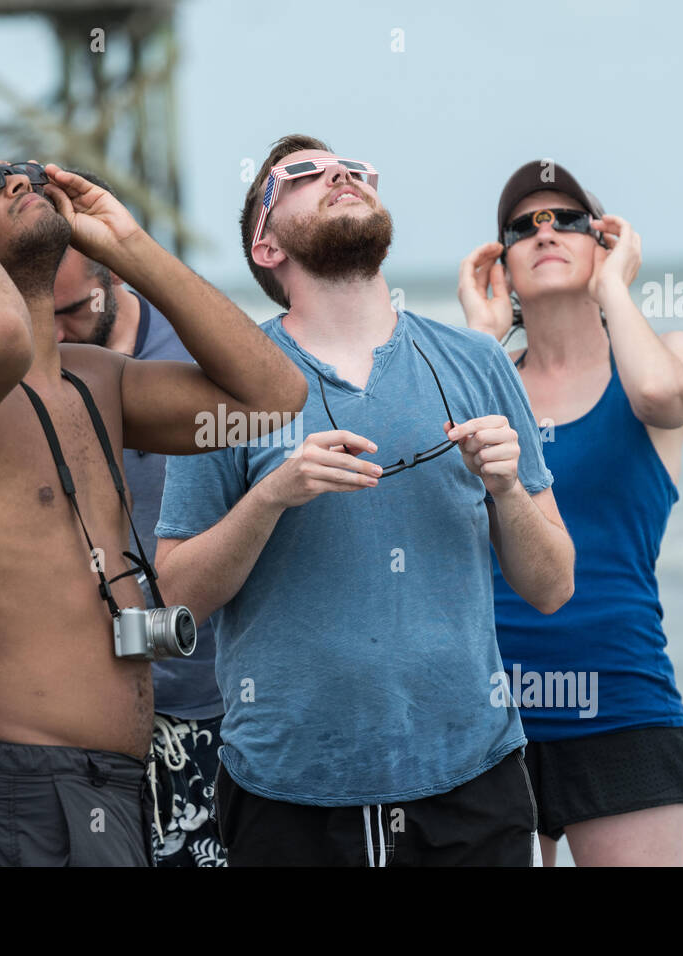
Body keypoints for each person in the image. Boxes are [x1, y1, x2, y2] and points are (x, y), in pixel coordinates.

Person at [153, 135, 575, 867]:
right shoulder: (230, 385)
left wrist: (506, 488)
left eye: (351, 168)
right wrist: (272, 497)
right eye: (302, 176)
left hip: (471, 779)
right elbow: (176, 597)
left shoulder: (476, 362)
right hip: (287, 790)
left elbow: (552, 585)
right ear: (266, 244)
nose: (339, 175)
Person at [0, 153, 306, 867]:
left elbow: (271, 397)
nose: (18, 180)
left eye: (21, 168)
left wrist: (125, 246)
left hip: (118, 790)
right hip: (16, 797)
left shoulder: (98, 380)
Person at [457, 160, 683, 866]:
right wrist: (482, 339)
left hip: (625, 705)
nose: (546, 232)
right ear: (501, 261)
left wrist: (613, 286)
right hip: (490, 719)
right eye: (523, 226)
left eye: (568, 220)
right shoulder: (483, 377)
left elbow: (662, 397)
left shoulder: (665, 360)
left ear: (605, 241)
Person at [51, 169, 227, 867]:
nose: (54, 330)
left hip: (211, 698)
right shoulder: (27, 373)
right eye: (40, 312)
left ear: (114, 277)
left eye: (69, 310)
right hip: (84, 713)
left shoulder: (193, 364)